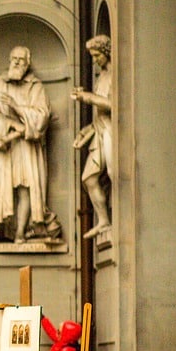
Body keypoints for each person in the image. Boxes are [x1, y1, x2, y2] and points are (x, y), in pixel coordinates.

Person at [0, 45, 55, 246]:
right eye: (14, 58)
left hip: (26, 145)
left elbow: (42, 116)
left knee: (25, 186)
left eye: (21, 60)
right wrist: (12, 125)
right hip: (4, 146)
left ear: (28, 63)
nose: (16, 62)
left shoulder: (35, 86)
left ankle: (21, 232)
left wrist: (16, 107)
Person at [72, 34, 113, 239]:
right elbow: (100, 111)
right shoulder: (101, 77)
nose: (95, 60)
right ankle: (104, 221)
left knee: (112, 175)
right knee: (88, 178)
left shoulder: (116, 75)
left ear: (106, 52)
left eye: (97, 55)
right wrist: (86, 131)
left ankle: (109, 221)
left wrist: (88, 97)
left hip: (111, 131)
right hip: (98, 131)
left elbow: (114, 105)